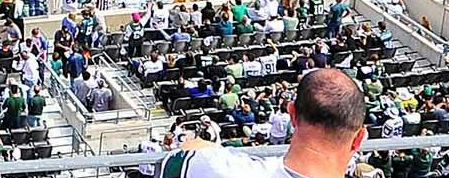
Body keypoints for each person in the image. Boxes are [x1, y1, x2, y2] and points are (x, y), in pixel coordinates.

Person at [148, 68, 370, 178]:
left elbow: (180, 159)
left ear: (291, 114)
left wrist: (204, 147)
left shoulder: (216, 168)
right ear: (359, 138)